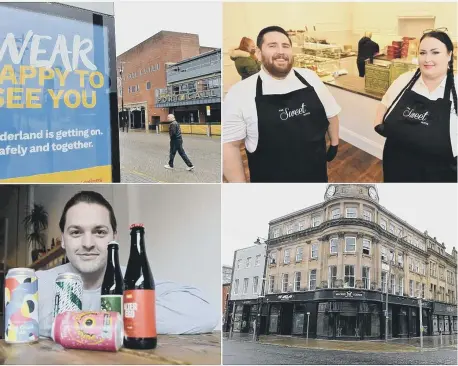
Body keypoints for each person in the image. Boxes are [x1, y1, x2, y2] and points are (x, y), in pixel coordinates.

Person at [36, 191, 217, 338]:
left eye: (99, 232)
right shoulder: (34, 284)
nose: (88, 243)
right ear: (62, 241)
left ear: (114, 237)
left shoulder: (133, 279)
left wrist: (109, 314)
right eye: (76, 232)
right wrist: (132, 315)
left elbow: (205, 313)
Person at [223, 26, 341, 183]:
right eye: (272, 46)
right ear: (258, 54)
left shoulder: (310, 78)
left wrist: (334, 143)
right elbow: (229, 146)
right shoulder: (240, 92)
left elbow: (332, 114)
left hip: (316, 177)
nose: (281, 51)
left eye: (285, 46)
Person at [374, 29, 457, 182]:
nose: (427, 59)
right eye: (422, 52)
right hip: (396, 165)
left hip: (438, 173)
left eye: (435, 52)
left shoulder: (456, 88)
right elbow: (385, 102)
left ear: (449, 55)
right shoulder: (404, 80)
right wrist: (378, 124)